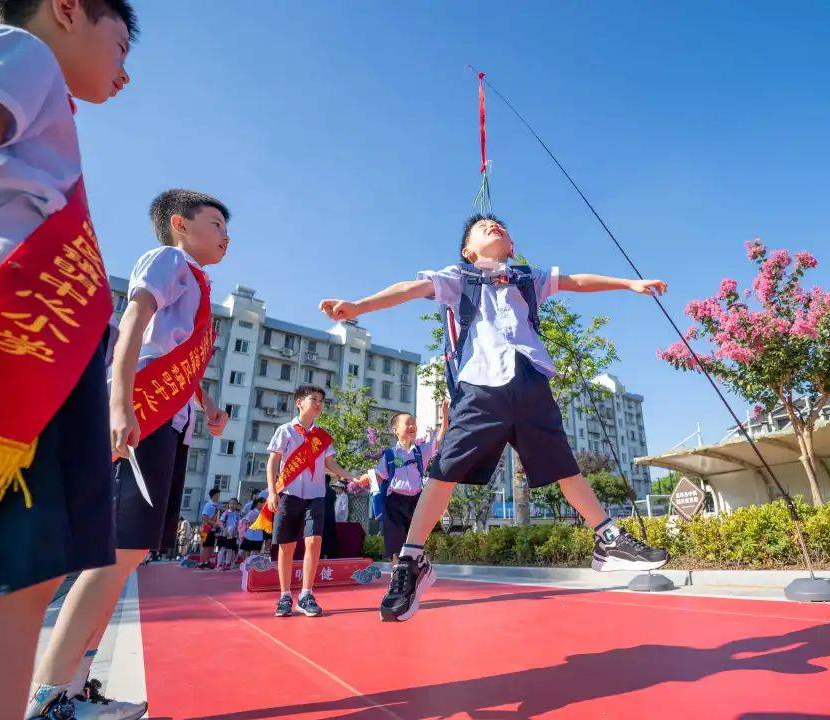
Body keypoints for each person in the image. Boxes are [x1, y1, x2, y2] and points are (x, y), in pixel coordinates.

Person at [320, 214, 671, 623]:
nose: (494, 226)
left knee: (564, 466)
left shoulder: (527, 277)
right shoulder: (458, 277)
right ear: (468, 250)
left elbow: (576, 280)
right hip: (480, 386)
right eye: (483, 226)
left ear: (512, 245)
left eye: (499, 226)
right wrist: (359, 306)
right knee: (443, 471)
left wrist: (629, 284)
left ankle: (607, 538)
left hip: (530, 380)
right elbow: (409, 288)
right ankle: (411, 561)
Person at [0, 1, 136, 718]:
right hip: (9, 347)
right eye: (121, 44)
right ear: (68, 9)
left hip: (44, 359)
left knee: (22, 576)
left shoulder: (42, 97)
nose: (124, 71)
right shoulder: (21, 52)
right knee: (5, 577)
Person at [27, 188, 232, 719]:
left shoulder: (199, 283)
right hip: (145, 415)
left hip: (173, 423)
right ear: (181, 224)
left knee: (129, 555)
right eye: (216, 223)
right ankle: (50, 697)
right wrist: (120, 408)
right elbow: (133, 333)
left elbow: (177, 350)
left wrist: (206, 403)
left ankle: (76, 688)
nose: (225, 235)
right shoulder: (167, 260)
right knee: (112, 555)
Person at [255, 384, 360, 617]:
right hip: (289, 494)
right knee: (286, 546)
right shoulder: (285, 431)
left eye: (321, 401)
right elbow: (273, 463)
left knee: (313, 542)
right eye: (314, 399)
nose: (319, 404)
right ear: (299, 403)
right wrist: (272, 493)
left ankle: (306, 594)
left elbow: (330, 464)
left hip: (315, 495)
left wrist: (352, 477)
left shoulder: (321, 437)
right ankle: (284, 596)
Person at [374, 402, 449, 563]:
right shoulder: (389, 454)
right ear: (396, 430)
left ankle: (413, 576)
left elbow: (439, 438)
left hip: (416, 501)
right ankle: (397, 577)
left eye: (414, 423)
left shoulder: (421, 452)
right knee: (395, 545)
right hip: (394, 502)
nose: (412, 425)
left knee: (414, 543)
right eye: (407, 423)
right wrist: (385, 497)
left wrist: (444, 418)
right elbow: (379, 476)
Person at [198, 486, 221, 569]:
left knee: (210, 546)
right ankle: (201, 563)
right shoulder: (209, 505)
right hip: (205, 529)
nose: (219, 497)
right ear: (214, 495)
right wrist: (212, 523)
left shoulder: (216, 506)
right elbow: (204, 517)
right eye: (218, 495)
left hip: (211, 529)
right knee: (205, 546)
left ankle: (207, 562)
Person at [216, 497, 241, 570]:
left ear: (237, 505)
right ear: (229, 505)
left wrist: (236, 532)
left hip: (232, 535)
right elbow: (220, 522)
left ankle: (227, 564)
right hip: (225, 534)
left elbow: (238, 525)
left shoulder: (237, 514)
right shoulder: (226, 513)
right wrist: (224, 530)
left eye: (234, 504)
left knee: (230, 549)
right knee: (223, 549)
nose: (232, 505)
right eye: (231, 504)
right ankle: (219, 564)